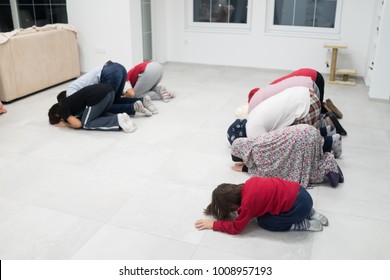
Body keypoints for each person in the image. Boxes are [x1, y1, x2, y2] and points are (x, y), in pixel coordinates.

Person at [195, 176, 329, 235]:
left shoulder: (247, 206)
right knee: (282, 201)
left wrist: (213, 225)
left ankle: (302, 224)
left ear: (232, 207)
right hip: (303, 195)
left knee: (264, 221)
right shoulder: (250, 182)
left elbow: (236, 228)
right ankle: (312, 213)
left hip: (298, 209)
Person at [229, 124, 344, 188]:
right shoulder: (258, 141)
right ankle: (327, 162)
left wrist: (246, 168)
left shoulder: (257, 150)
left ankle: (328, 163)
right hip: (308, 130)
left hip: (303, 139)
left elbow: (269, 171)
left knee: (304, 171)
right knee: (310, 162)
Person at [64, 60, 158, 116]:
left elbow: (86, 107)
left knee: (103, 107)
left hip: (110, 72)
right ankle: (143, 100)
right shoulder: (74, 88)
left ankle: (133, 107)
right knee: (115, 100)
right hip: (119, 68)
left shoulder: (71, 93)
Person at [48, 83, 136, 133]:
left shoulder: (63, 109)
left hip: (97, 95)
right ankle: (123, 117)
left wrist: (66, 124)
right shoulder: (70, 103)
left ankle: (117, 120)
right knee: (97, 115)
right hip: (109, 90)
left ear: (57, 115)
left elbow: (78, 124)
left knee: (86, 123)